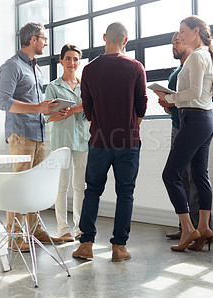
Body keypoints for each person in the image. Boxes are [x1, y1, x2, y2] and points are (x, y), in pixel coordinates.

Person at [72, 22, 148, 262]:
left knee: (92, 190)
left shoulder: (89, 70)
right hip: (127, 140)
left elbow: (87, 106)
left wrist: (101, 123)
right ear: (125, 41)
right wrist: (131, 127)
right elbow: (141, 104)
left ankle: (86, 245)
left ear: (104, 37)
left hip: (99, 140)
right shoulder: (136, 67)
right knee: (125, 193)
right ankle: (119, 248)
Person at [154, 16, 213, 252]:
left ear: (196, 31)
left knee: (170, 174)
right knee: (200, 175)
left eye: (183, 31)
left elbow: (193, 91)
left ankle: (187, 228)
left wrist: (170, 99)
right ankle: (203, 227)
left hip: (194, 119)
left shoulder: (196, 56)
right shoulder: (206, 55)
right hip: (206, 119)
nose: (179, 35)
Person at [0, 22, 67, 251]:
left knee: (35, 185)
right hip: (21, 134)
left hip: (38, 133)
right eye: (44, 38)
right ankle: (15, 238)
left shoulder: (37, 68)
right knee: (20, 185)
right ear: (33, 39)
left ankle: (35, 231)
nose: (47, 43)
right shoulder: (12, 66)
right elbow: (3, 102)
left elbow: (38, 106)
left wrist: (53, 111)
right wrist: (38, 107)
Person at [44, 44, 90, 242]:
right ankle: (63, 229)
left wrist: (79, 110)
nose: (72, 63)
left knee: (80, 186)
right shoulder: (53, 87)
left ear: (79, 62)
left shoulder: (85, 86)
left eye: (75, 59)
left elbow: (90, 111)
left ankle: (80, 227)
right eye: (68, 59)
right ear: (61, 61)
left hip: (81, 140)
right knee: (61, 186)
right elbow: (47, 117)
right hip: (61, 141)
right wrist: (61, 113)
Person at [160, 32, 199, 239]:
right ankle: (185, 227)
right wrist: (166, 104)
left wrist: (172, 100)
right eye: (172, 43)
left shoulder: (194, 67)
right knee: (180, 179)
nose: (174, 46)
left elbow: (196, 96)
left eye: (178, 42)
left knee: (194, 178)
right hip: (176, 126)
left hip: (190, 127)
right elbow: (173, 106)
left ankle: (198, 228)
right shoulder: (175, 73)